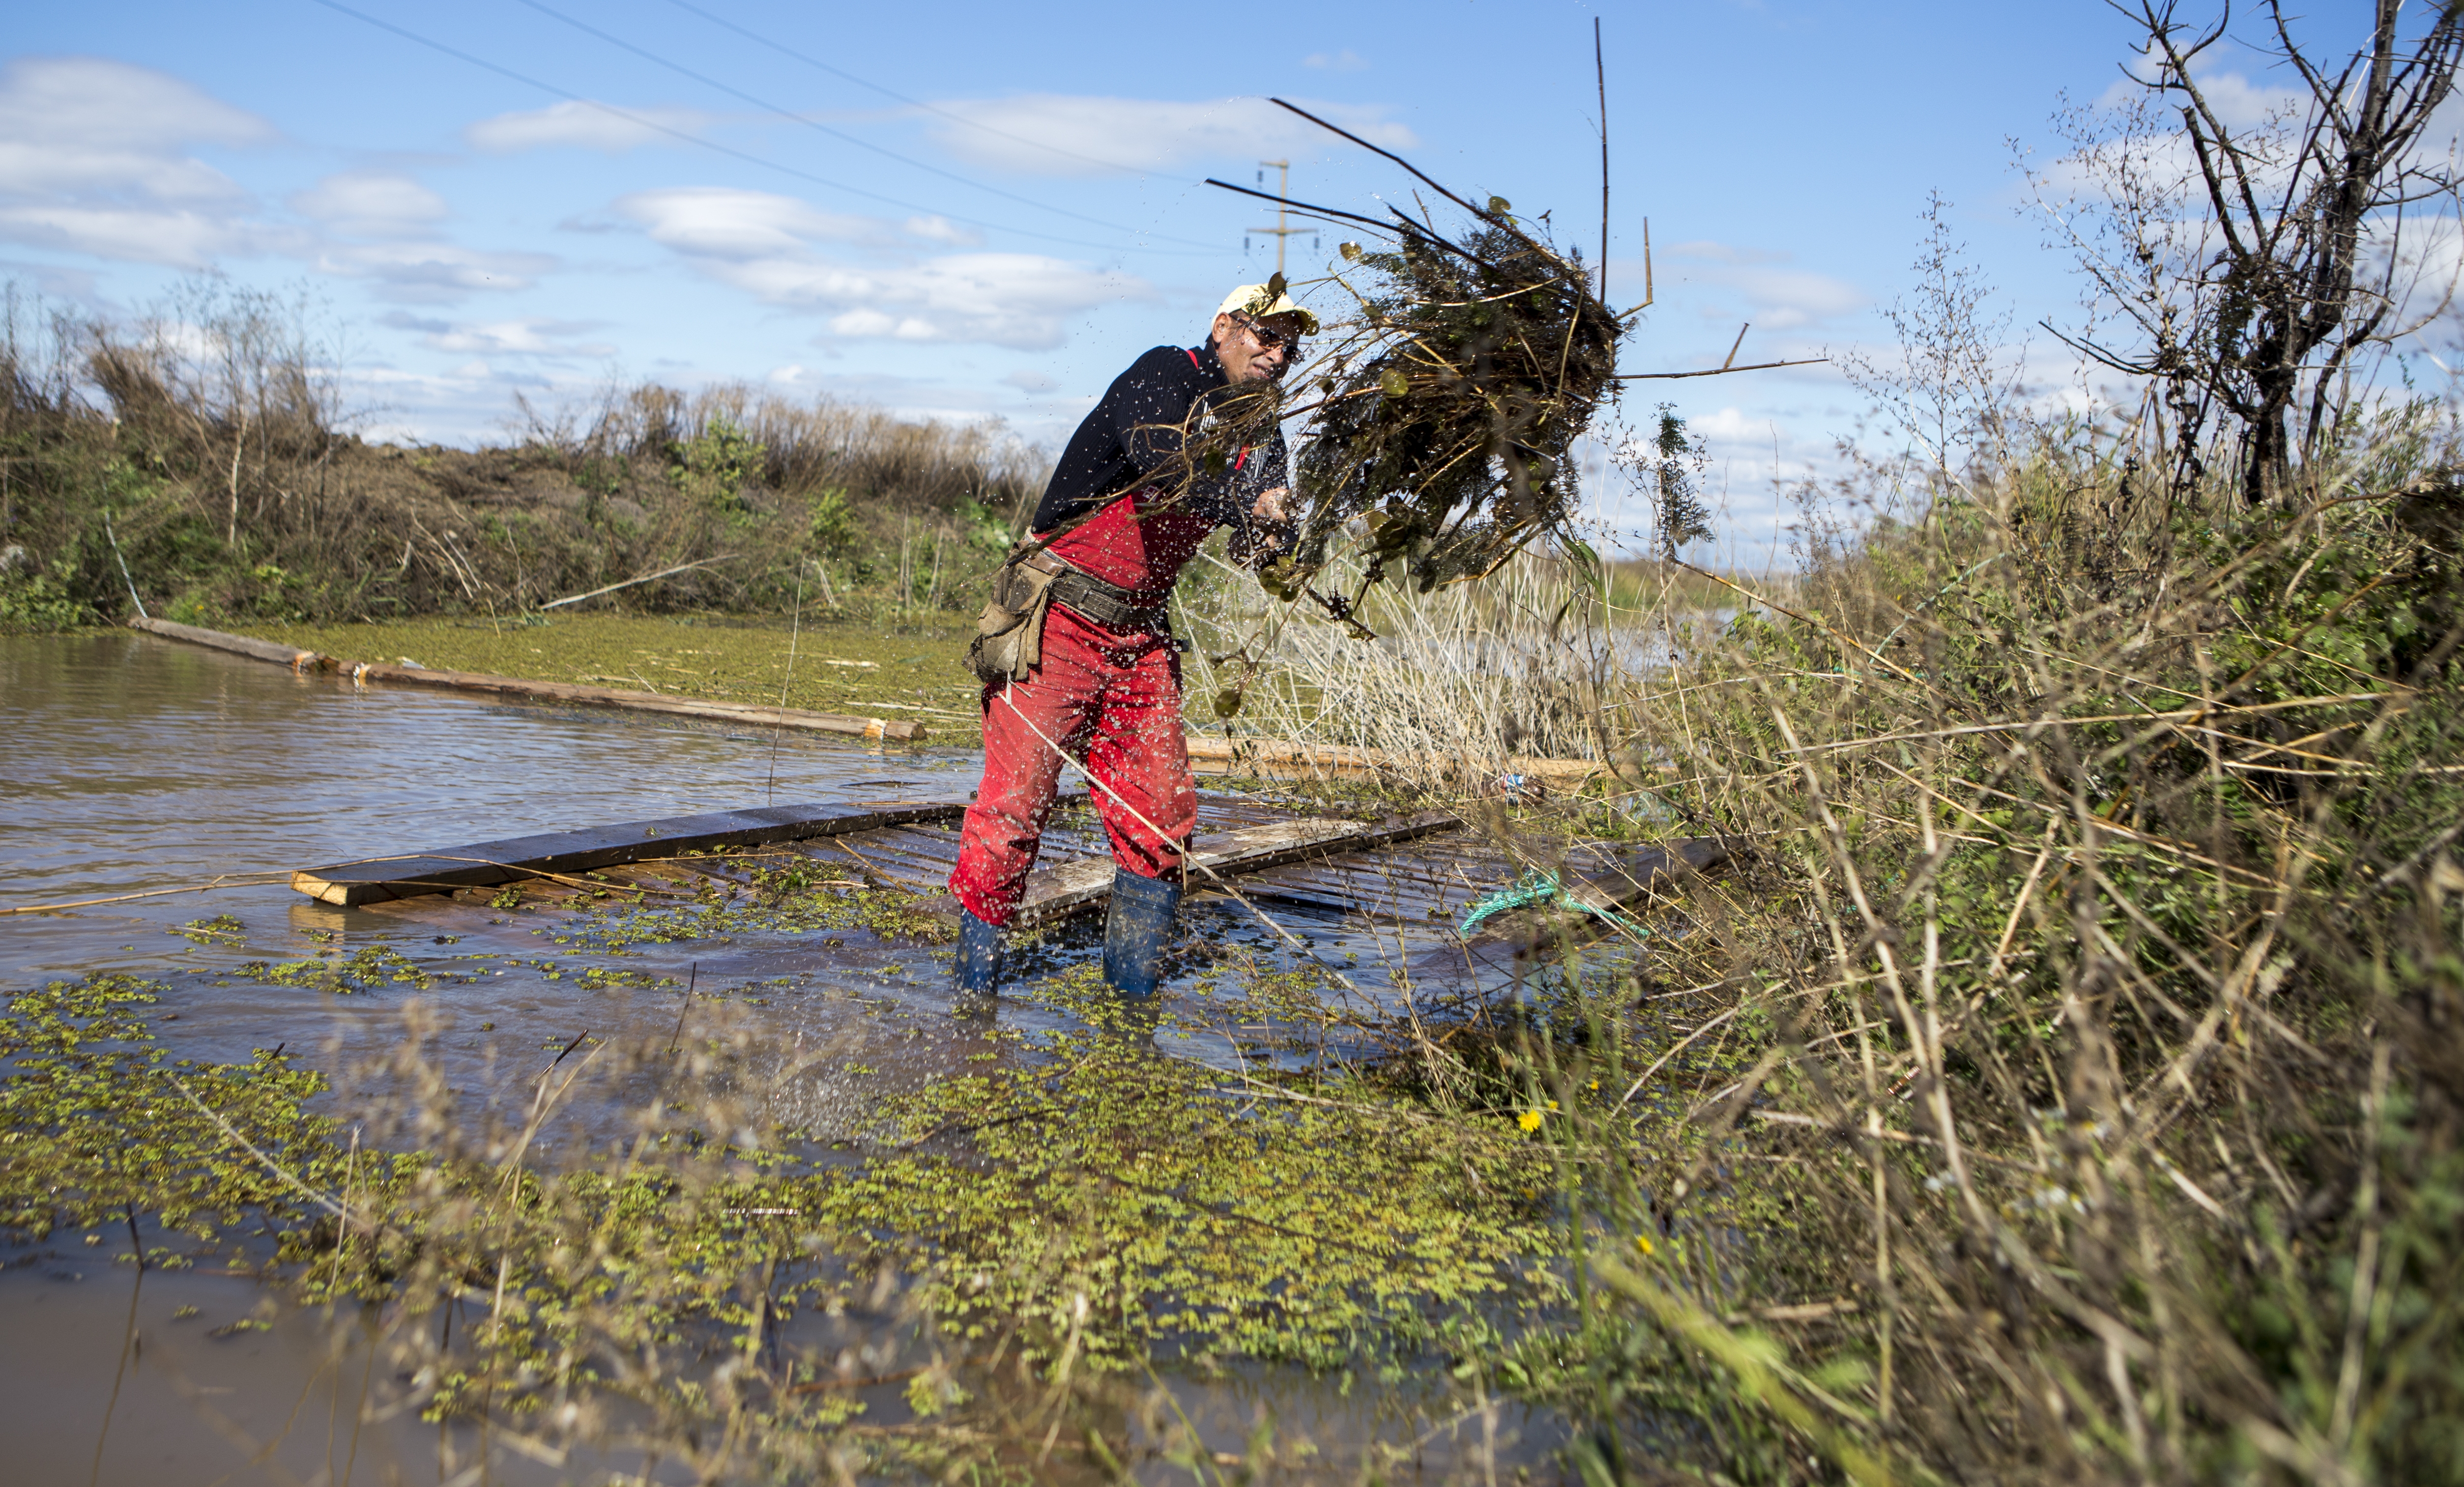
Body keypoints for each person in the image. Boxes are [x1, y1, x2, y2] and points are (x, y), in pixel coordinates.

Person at [946, 283, 1317, 1004]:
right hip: (1057, 621)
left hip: (1139, 637)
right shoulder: (1165, 375)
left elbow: (1257, 547)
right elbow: (1166, 470)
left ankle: (1130, 1006)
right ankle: (970, 998)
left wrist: (1279, 527)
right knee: (1014, 811)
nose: (1276, 354)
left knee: (1160, 818)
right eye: (1264, 335)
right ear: (1222, 328)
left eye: (1288, 346)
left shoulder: (1265, 433)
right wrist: (1251, 502)